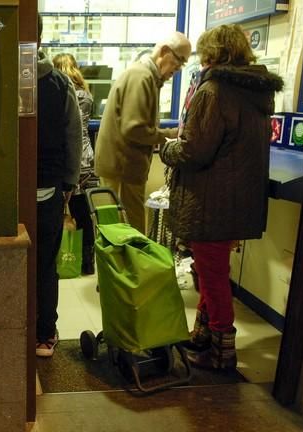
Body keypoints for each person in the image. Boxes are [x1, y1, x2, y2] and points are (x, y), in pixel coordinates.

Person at [160, 24, 283, 370]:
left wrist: (167, 150)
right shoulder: (254, 92)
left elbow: (195, 151)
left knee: (212, 275)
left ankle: (221, 351)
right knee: (210, 269)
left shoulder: (213, 91)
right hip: (236, 202)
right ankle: (201, 337)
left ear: (214, 54)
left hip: (211, 202)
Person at [94, 32, 191, 234]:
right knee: (127, 230)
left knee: (114, 228)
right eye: (179, 60)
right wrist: (170, 135)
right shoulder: (142, 77)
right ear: (164, 52)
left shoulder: (145, 76)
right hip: (123, 168)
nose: (179, 68)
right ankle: (125, 267)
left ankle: (120, 265)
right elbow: (133, 128)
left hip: (121, 166)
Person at [36, 15, 83, 357]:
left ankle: (10, 325)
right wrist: (69, 181)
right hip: (48, 185)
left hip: (4, 190)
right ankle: (44, 333)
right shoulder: (58, 83)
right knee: (45, 262)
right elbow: (73, 135)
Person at [52, 53, 97, 275]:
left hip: (68, 158)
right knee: (82, 211)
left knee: (58, 209)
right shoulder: (87, 94)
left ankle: (62, 258)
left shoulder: (59, 93)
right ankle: (87, 262)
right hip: (87, 158)